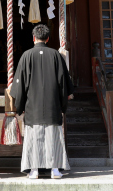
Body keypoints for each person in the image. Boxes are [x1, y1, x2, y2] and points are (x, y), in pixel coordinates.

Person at [10, 23, 74, 179]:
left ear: (33, 38)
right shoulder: (55, 55)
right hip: (53, 105)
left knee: (33, 138)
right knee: (54, 138)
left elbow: (19, 84)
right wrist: (62, 105)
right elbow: (64, 83)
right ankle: (55, 170)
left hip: (32, 105)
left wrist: (20, 106)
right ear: (48, 38)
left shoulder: (26, 56)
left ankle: (34, 170)